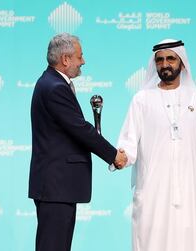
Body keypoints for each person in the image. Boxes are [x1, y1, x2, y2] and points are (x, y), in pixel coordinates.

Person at [117, 39, 196, 251]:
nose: (165, 65)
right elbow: (128, 142)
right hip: (152, 190)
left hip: (189, 189)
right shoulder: (141, 99)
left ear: (182, 63)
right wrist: (120, 157)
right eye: (160, 60)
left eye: (170, 59)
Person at [28, 33, 127, 251]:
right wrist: (113, 155)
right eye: (80, 56)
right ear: (65, 59)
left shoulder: (50, 82)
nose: (83, 61)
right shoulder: (55, 87)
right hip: (56, 186)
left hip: (56, 187)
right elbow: (80, 129)